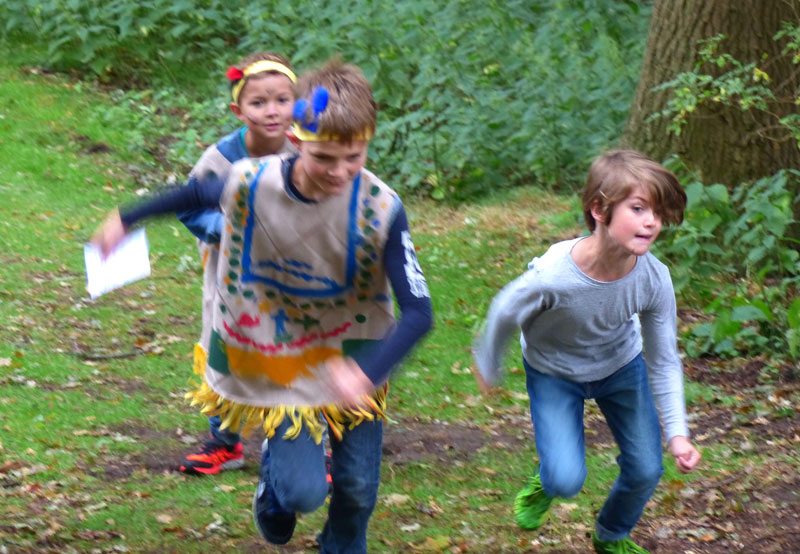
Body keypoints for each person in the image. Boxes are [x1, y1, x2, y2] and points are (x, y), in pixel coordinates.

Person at [92, 58, 433, 553]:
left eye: (354, 157)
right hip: (281, 355)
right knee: (303, 493)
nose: (340, 172)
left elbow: (419, 311)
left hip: (356, 358)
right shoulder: (253, 183)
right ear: (296, 140)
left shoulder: (382, 207)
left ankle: (340, 545)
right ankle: (274, 490)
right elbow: (196, 192)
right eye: (324, 157)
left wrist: (367, 374)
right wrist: (126, 218)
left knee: (357, 488)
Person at [472, 150, 701, 554]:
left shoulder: (653, 279)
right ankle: (547, 480)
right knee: (565, 479)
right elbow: (505, 310)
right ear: (599, 209)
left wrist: (678, 433)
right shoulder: (553, 275)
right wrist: (488, 363)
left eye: (658, 213)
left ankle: (611, 535)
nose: (652, 221)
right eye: (638, 208)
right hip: (553, 371)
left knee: (647, 469)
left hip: (620, 366)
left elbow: (663, 359)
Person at [175, 51, 298, 476]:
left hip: (291, 284)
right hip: (231, 285)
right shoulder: (221, 159)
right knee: (225, 352)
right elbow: (188, 206)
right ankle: (225, 442)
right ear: (238, 110)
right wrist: (225, 230)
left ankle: (306, 444)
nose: (272, 111)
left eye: (282, 100)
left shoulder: (306, 151)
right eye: (259, 102)